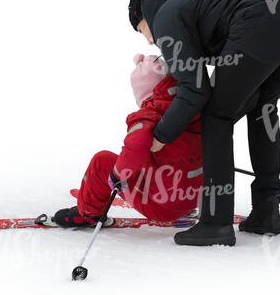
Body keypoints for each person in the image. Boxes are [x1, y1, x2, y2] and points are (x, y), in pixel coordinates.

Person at [128, 0, 280, 246]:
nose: (150, 41)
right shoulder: (199, 1)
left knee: (217, 116)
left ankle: (215, 222)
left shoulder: (166, 15)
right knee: (263, 106)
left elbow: (195, 91)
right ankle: (266, 211)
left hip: (263, 19)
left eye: (141, 30)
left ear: (144, 14)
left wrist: (161, 135)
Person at [53, 54, 203, 227]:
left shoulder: (149, 116)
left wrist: (117, 176)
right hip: (192, 197)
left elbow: (137, 146)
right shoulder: (191, 107)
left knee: (102, 162)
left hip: (162, 207)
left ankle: (88, 214)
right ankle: (185, 207)